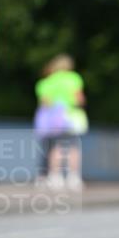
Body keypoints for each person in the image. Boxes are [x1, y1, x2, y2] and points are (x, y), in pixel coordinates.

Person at [34, 55, 87, 190]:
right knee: (73, 147)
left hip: (54, 117)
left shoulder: (46, 81)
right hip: (71, 115)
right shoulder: (73, 78)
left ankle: (55, 176)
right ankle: (73, 178)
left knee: (55, 147)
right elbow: (79, 98)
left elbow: (45, 102)